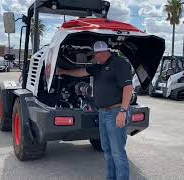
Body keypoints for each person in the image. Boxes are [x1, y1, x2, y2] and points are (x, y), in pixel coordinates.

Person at [57, 41, 133, 180]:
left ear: (102, 53)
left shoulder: (119, 64)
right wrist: (63, 71)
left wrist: (123, 111)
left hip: (116, 112)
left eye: (95, 55)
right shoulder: (98, 66)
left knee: (117, 153)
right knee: (107, 150)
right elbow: (81, 72)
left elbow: (128, 88)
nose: (94, 58)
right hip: (103, 113)